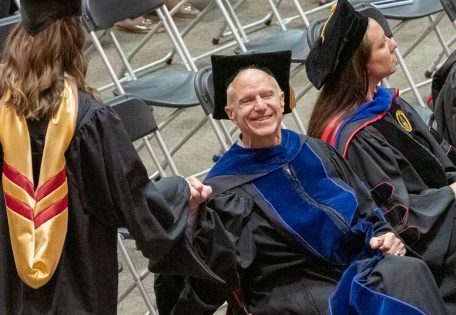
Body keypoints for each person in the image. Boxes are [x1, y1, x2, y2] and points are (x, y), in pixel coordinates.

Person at [0, 0, 214, 313]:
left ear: (16, 38)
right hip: (75, 284)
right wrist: (180, 191)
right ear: (73, 42)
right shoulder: (90, 119)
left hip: (0, 281)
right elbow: (131, 199)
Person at [154, 51, 449, 314]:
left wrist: (384, 234)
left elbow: (366, 207)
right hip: (295, 292)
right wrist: (193, 217)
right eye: (247, 101)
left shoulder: (314, 150)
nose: (260, 106)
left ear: (282, 100)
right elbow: (218, 275)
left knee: (409, 270)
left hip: (356, 265)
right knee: (391, 285)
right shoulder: (225, 189)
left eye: (267, 95)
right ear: (231, 114)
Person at [306, 0, 456, 311]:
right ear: (361, 65)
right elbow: (398, 218)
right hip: (420, 245)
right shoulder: (355, 136)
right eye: (382, 44)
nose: (394, 44)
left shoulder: (387, 104)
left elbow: (440, 157)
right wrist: (451, 194)